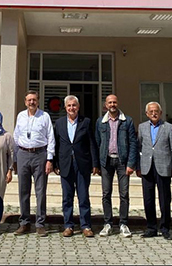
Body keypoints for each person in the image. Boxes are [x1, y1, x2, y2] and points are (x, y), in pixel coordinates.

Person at [53, 95, 99, 238]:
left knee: (83, 196)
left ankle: (86, 226)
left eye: (74, 105)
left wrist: (95, 163)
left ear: (78, 107)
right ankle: (68, 226)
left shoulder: (86, 122)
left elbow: (92, 143)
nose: (71, 108)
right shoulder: (59, 123)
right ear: (65, 107)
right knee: (67, 197)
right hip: (65, 164)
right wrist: (55, 163)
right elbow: (56, 144)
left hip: (82, 164)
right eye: (69, 105)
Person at [12, 90, 56, 237]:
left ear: (38, 101)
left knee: (40, 191)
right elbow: (16, 136)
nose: (32, 102)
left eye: (34, 100)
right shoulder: (20, 116)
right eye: (29, 100)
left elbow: (51, 137)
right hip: (23, 154)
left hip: (40, 155)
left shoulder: (44, 116)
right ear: (25, 102)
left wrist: (49, 159)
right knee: (23, 190)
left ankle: (40, 224)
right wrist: (15, 158)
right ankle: (24, 223)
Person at [94, 94, 138, 238]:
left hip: (122, 162)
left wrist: (131, 163)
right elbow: (97, 143)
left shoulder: (127, 121)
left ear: (117, 103)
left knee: (124, 194)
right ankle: (108, 223)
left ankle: (123, 223)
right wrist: (97, 164)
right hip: (106, 162)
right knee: (106, 193)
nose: (112, 105)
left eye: (114, 102)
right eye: (110, 102)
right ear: (105, 105)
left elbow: (133, 143)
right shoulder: (100, 122)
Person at [136, 102, 172, 240]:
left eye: (156, 111)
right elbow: (138, 147)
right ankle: (151, 227)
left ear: (160, 113)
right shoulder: (142, 127)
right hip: (147, 168)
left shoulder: (168, 127)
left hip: (164, 167)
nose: (154, 113)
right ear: (146, 113)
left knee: (165, 199)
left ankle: (165, 228)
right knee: (148, 199)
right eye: (151, 111)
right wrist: (138, 166)